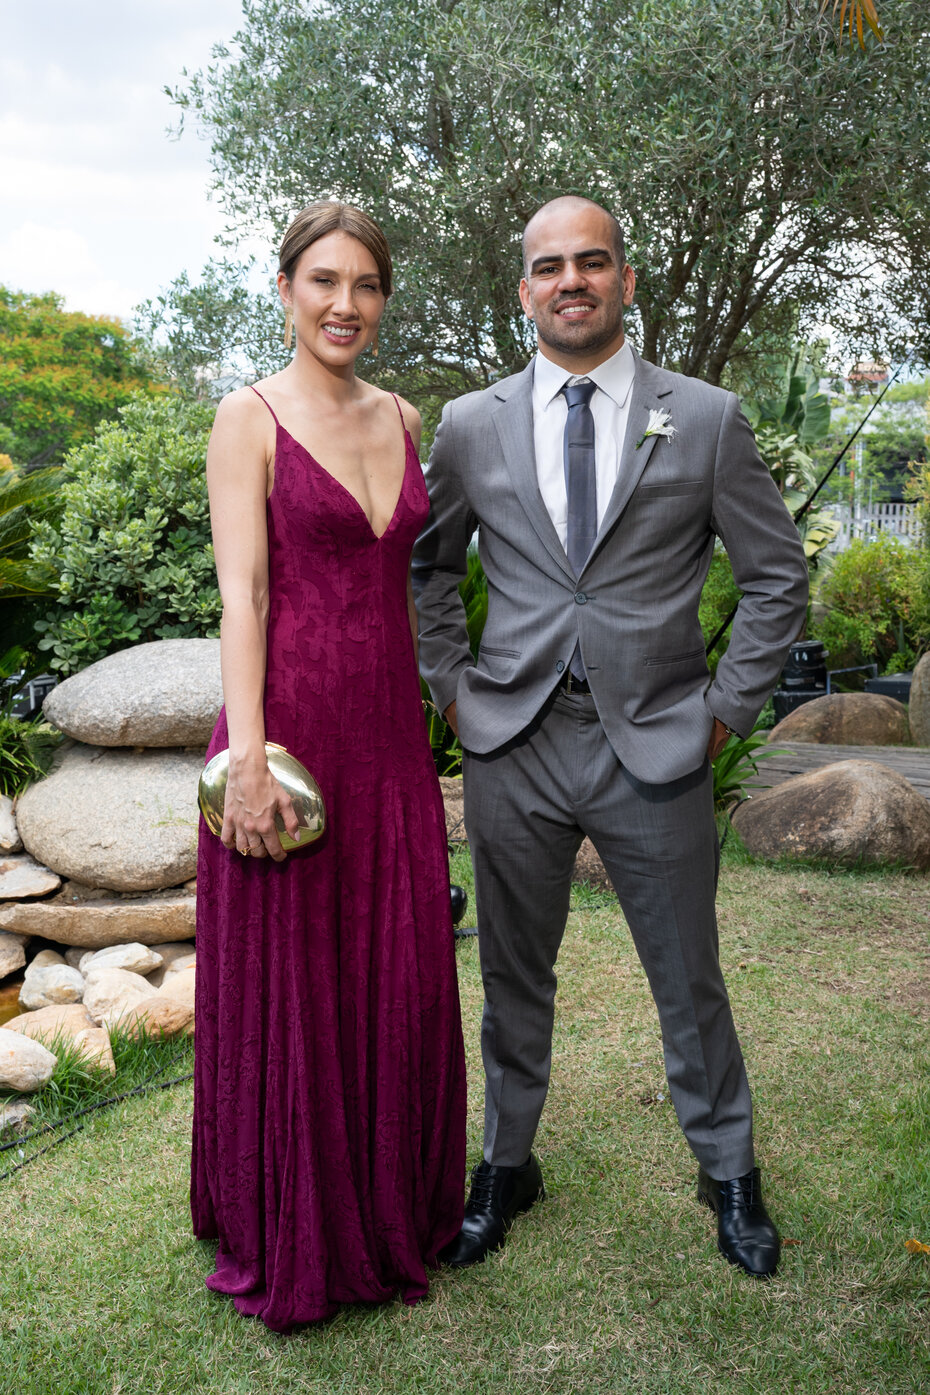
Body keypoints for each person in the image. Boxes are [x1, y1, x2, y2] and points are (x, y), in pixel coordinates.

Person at [411, 195, 809, 1280]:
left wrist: (723, 712)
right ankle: (506, 1164)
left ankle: (729, 1172)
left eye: (592, 262)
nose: (571, 281)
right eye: (550, 266)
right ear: (524, 290)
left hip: (660, 745)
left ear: (626, 281)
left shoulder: (707, 417)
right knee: (511, 974)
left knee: (690, 977)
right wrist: (453, 691)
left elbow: (776, 578)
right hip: (513, 743)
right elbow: (427, 569)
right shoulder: (471, 425)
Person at [191, 201, 467, 1331]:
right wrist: (249, 760)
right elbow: (245, 597)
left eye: (365, 284)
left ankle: (391, 1204)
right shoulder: (247, 417)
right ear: (285, 289)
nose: (345, 304)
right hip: (290, 741)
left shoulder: (404, 415)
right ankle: (294, 1223)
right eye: (324, 281)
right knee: (296, 986)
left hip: (389, 740)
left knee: (397, 969)